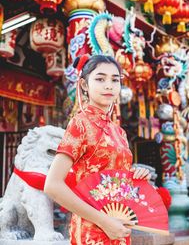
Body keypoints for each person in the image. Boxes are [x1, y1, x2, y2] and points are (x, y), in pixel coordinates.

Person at [44, 54, 151, 244]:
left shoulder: (119, 132)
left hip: (119, 227)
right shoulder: (81, 124)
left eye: (115, 80)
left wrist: (135, 177)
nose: (109, 85)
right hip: (92, 230)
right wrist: (105, 222)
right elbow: (52, 185)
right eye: (100, 79)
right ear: (84, 85)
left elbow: (114, 180)